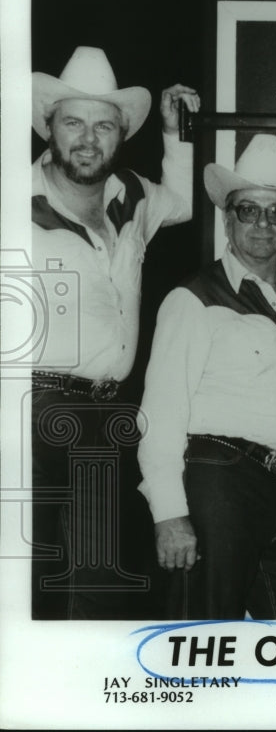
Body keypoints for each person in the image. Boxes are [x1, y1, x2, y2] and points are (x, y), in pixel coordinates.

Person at [137, 134, 276, 619]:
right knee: (202, 635)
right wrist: (170, 513)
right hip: (218, 485)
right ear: (226, 217)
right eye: (248, 210)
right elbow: (160, 413)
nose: (262, 224)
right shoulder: (193, 298)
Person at [29, 46, 200, 619]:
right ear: (47, 127)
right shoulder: (11, 202)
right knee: (26, 577)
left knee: (97, 584)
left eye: (103, 125)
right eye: (72, 122)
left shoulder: (132, 197)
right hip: (29, 408)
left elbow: (180, 203)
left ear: (120, 136)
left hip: (104, 417)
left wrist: (177, 135)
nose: (87, 138)